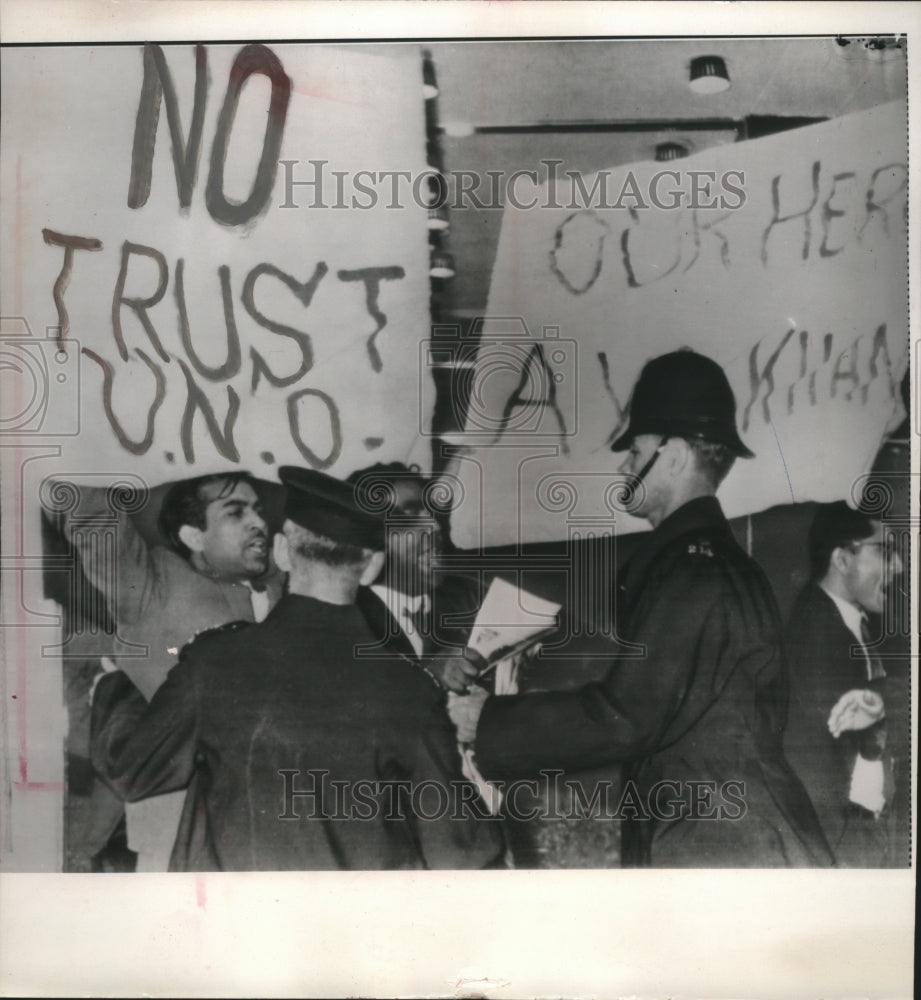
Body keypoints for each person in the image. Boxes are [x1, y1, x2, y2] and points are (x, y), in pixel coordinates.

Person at [448, 349, 835, 867]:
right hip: (731, 830)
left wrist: (488, 720)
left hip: (722, 844)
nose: (625, 464)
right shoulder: (712, 563)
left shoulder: (693, 570)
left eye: (636, 449)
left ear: (672, 457)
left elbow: (626, 717)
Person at [91, 467, 503, 871]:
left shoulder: (213, 663)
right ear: (374, 565)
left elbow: (131, 769)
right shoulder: (410, 688)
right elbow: (463, 851)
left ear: (283, 552)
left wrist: (116, 687)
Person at [54, 472, 283, 871]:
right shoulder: (151, 585)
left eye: (258, 510)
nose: (258, 522)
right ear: (195, 536)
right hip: (176, 833)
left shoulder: (285, 587)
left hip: (270, 829)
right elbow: (90, 512)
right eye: (236, 512)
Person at [784, 502, 903, 866]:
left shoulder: (843, 620)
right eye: (884, 552)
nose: (899, 566)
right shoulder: (815, 632)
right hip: (844, 841)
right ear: (842, 559)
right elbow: (815, 761)